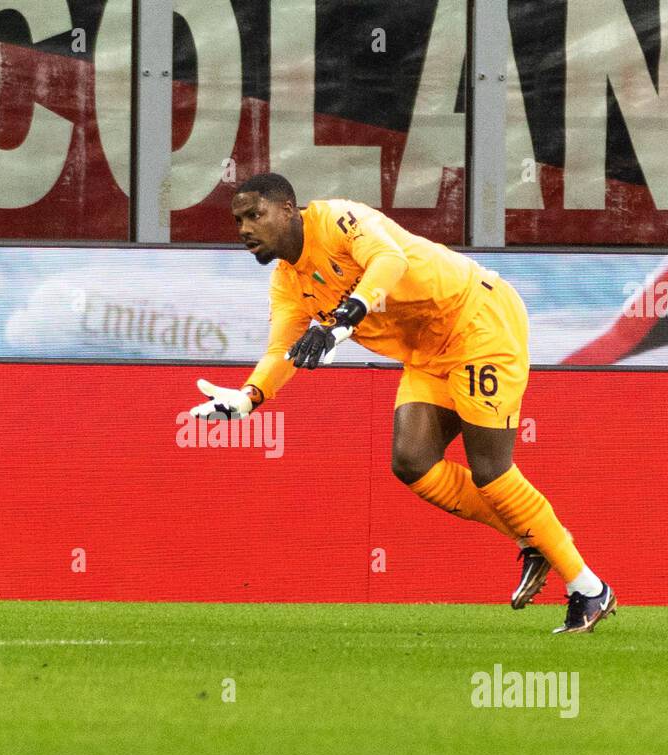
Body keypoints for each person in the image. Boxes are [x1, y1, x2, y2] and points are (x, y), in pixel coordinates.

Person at [188, 173, 616, 634]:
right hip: (427, 351)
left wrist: (343, 321)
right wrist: (251, 397)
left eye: (255, 215)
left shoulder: (337, 219)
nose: (245, 229)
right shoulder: (288, 282)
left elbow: (388, 259)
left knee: (491, 470)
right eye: (238, 221)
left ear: (289, 209)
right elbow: (282, 351)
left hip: (477, 321)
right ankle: (532, 538)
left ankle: (588, 588)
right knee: (412, 461)